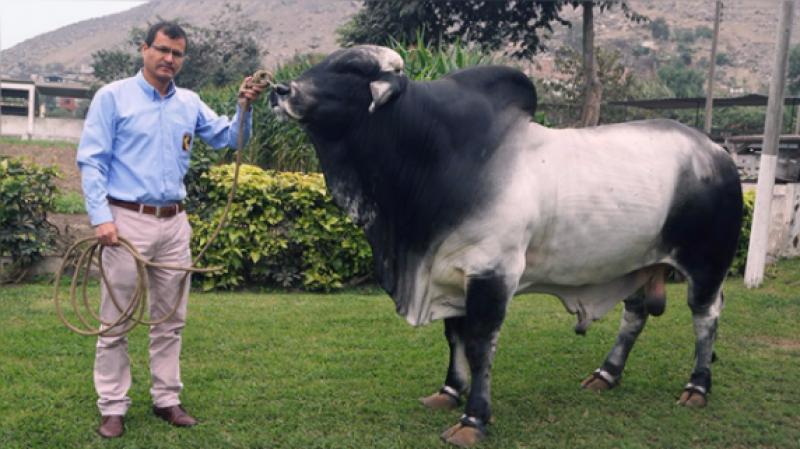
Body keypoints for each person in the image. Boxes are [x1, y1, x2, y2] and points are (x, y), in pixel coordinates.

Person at [76, 21, 266, 439]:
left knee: (170, 320)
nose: (169, 59)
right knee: (115, 321)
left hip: (174, 223)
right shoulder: (113, 97)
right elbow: (91, 160)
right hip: (125, 221)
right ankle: (112, 406)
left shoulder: (190, 102)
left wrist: (244, 108)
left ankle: (167, 400)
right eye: (162, 50)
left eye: (177, 54)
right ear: (144, 49)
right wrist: (101, 218)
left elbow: (227, 138)